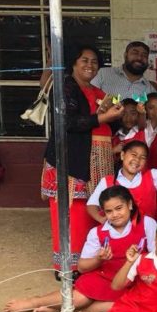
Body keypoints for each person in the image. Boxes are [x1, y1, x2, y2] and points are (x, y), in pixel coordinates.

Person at [4, 186, 157, 312]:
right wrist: (99, 259)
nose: (115, 215)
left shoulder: (147, 224)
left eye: (119, 208)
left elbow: (155, 257)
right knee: (80, 299)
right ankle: (34, 301)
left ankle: (59, 309)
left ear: (130, 205)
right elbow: (82, 267)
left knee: (125, 307)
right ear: (103, 212)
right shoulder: (97, 233)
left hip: (133, 280)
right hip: (104, 277)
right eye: (109, 211)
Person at [41, 45, 123, 274]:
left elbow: (110, 123)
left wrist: (117, 113)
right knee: (73, 213)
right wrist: (104, 116)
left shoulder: (95, 90)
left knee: (92, 210)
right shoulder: (66, 87)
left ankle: (88, 263)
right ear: (74, 63)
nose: (90, 65)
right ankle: (67, 267)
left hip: (97, 161)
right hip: (72, 161)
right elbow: (68, 122)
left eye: (94, 61)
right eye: (84, 60)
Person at [87, 140, 157, 221]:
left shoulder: (152, 176)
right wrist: (101, 219)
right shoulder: (107, 181)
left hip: (146, 237)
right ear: (122, 155)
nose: (137, 160)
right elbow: (91, 205)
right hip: (119, 235)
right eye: (134, 155)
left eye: (142, 157)